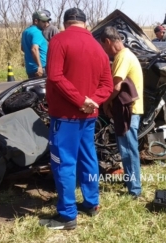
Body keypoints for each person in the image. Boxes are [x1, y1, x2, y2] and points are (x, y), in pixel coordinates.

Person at [39, 8, 113, 230]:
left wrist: (80, 100)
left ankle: (67, 215)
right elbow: (107, 85)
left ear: (65, 23)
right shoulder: (98, 47)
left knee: (63, 163)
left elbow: (55, 76)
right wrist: (92, 101)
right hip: (89, 116)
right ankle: (91, 203)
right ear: (84, 23)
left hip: (65, 116)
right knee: (88, 158)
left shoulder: (59, 41)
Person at [100, 26, 143, 199]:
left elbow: (116, 86)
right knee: (126, 149)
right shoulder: (127, 55)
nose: (104, 50)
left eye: (103, 46)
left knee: (128, 150)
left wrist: (105, 102)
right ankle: (131, 183)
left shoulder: (122, 57)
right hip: (131, 110)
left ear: (108, 42)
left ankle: (134, 190)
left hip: (129, 111)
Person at [21, 10, 49, 78]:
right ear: (36, 21)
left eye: (47, 21)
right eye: (43, 21)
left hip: (30, 69)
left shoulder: (26, 31)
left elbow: (22, 48)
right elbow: (34, 49)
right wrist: (39, 66)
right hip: (40, 69)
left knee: (33, 88)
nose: (46, 24)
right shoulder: (37, 32)